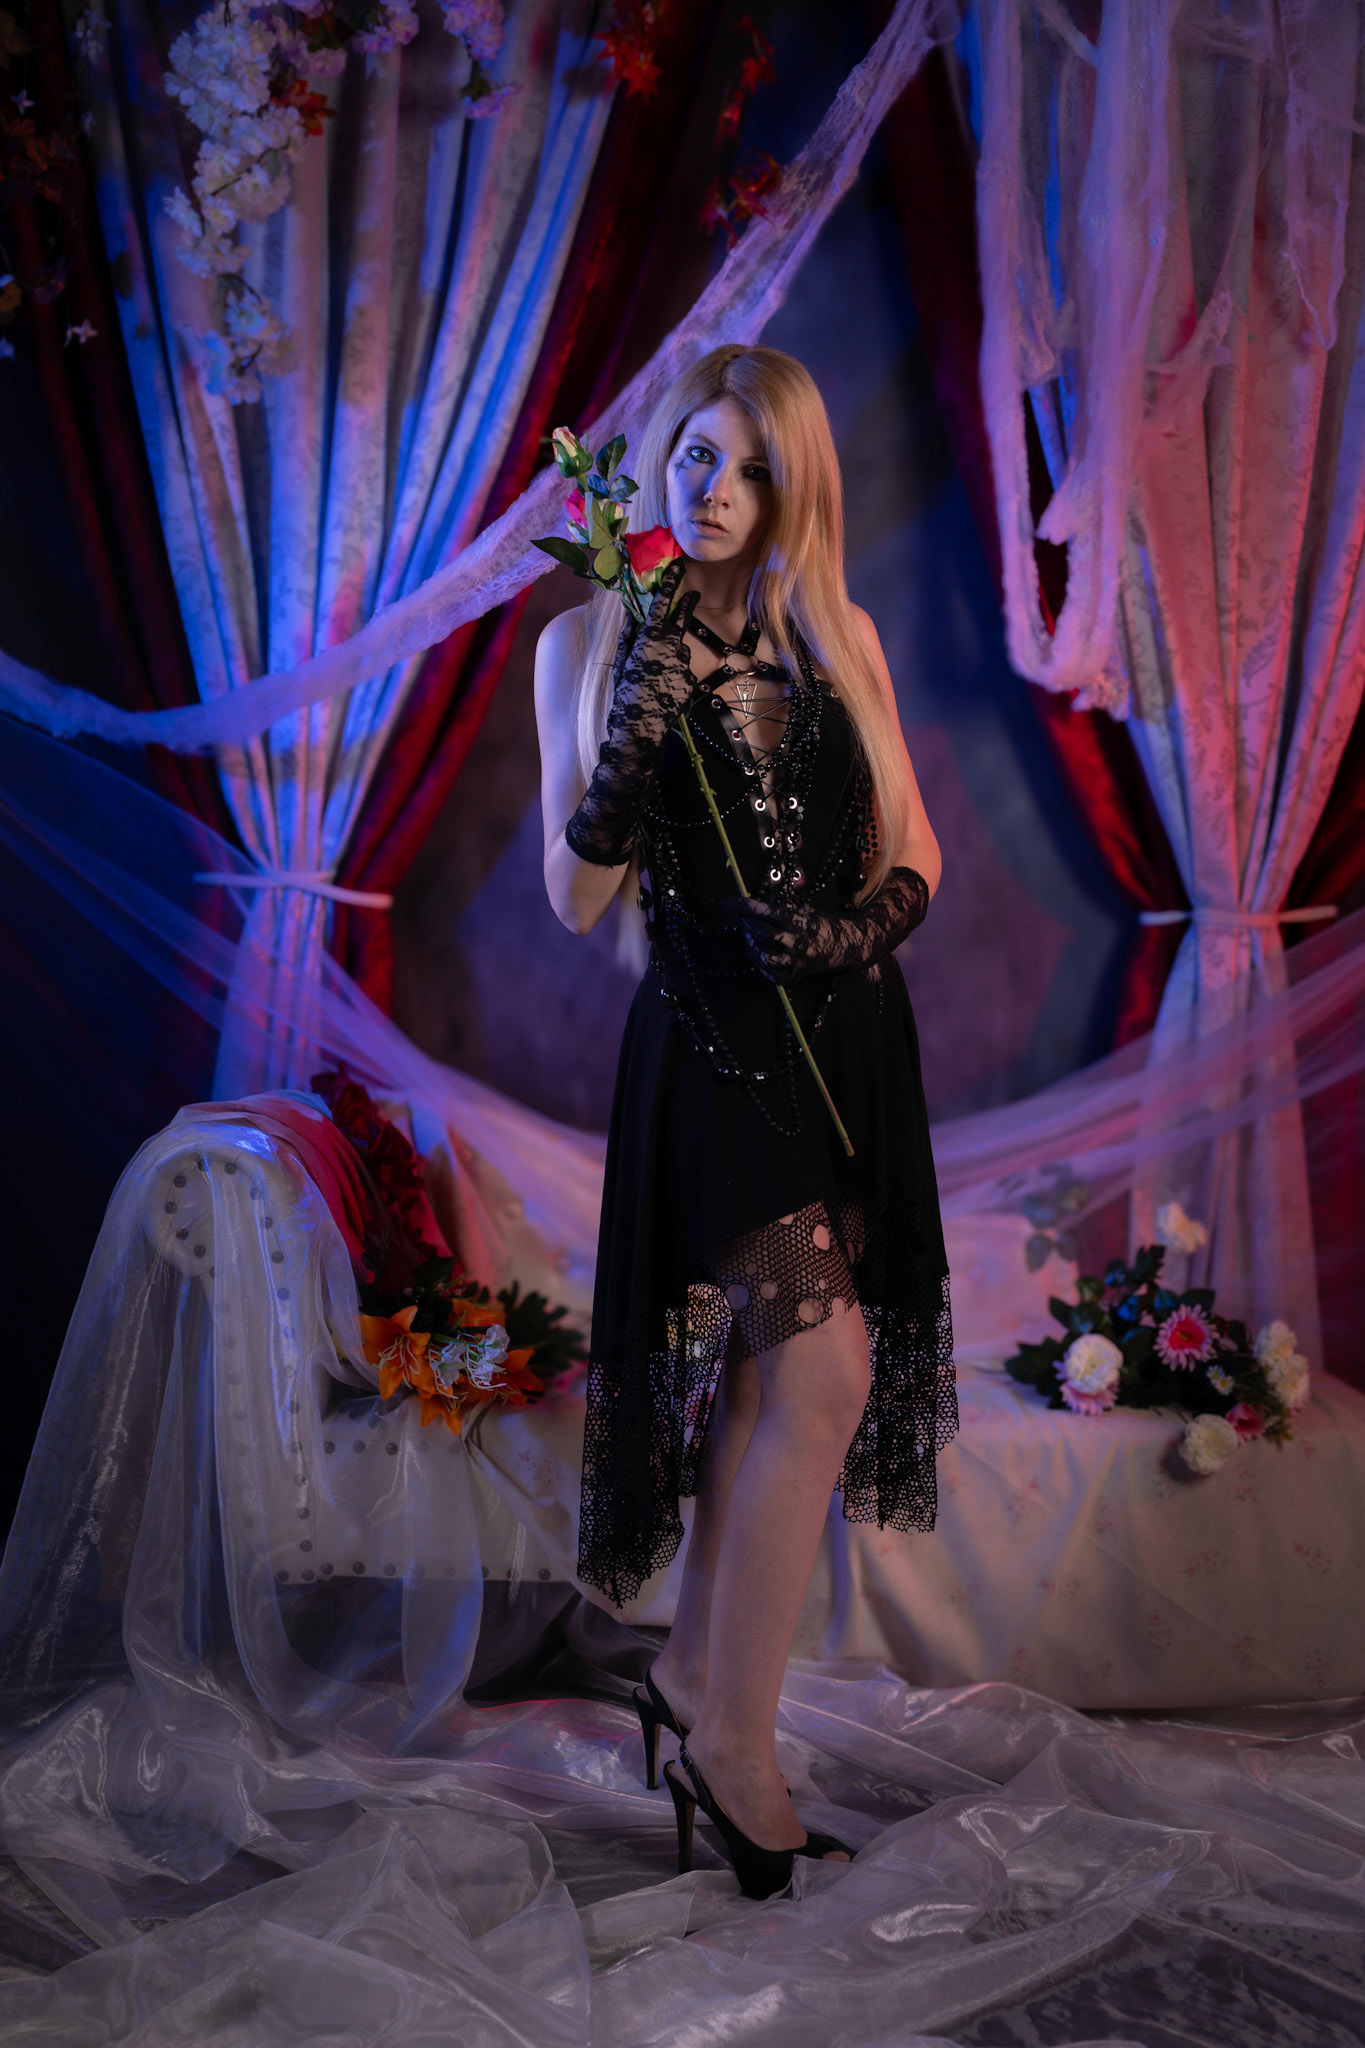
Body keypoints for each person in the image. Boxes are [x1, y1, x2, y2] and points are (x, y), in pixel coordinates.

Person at [534, 343, 955, 1898]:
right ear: (658, 464)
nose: (718, 490)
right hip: (713, 1058)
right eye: (700, 456)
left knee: (772, 1390)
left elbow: (916, 847)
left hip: (846, 1049)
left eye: (756, 469)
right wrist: (635, 725)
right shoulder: (588, 639)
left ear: (795, 495)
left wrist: (858, 929)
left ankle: (693, 1681)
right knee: (826, 1373)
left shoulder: (838, 634)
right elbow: (573, 900)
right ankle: (734, 1746)